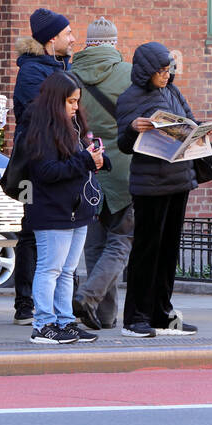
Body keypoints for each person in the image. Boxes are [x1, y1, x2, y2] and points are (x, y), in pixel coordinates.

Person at [116, 42, 202, 338]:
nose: (166, 75)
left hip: (179, 179)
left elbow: (190, 120)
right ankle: (135, 318)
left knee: (168, 251)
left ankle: (162, 313)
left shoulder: (173, 91)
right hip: (150, 185)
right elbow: (124, 144)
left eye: (169, 69)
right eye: (161, 71)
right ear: (145, 71)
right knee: (146, 251)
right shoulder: (130, 98)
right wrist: (132, 129)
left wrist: (199, 130)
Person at [18, 72, 108, 345]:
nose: (75, 107)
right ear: (56, 101)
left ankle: (65, 321)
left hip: (76, 208)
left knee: (68, 270)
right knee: (50, 268)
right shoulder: (41, 128)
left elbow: (78, 162)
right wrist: (85, 160)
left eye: (77, 101)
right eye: (70, 101)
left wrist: (97, 158)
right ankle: (43, 324)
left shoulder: (74, 125)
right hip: (52, 209)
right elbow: (46, 171)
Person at [10, 7, 76, 324]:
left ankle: (54, 305)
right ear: (52, 39)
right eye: (67, 34)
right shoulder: (32, 72)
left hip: (63, 158)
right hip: (38, 162)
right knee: (30, 231)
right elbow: (37, 116)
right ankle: (26, 304)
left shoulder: (61, 67)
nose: (72, 38)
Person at [70, 18, 133, 331]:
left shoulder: (69, 76)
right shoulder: (130, 74)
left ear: (89, 42)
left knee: (94, 244)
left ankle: (103, 316)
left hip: (87, 171)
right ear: (114, 42)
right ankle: (89, 297)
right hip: (123, 171)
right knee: (122, 240)